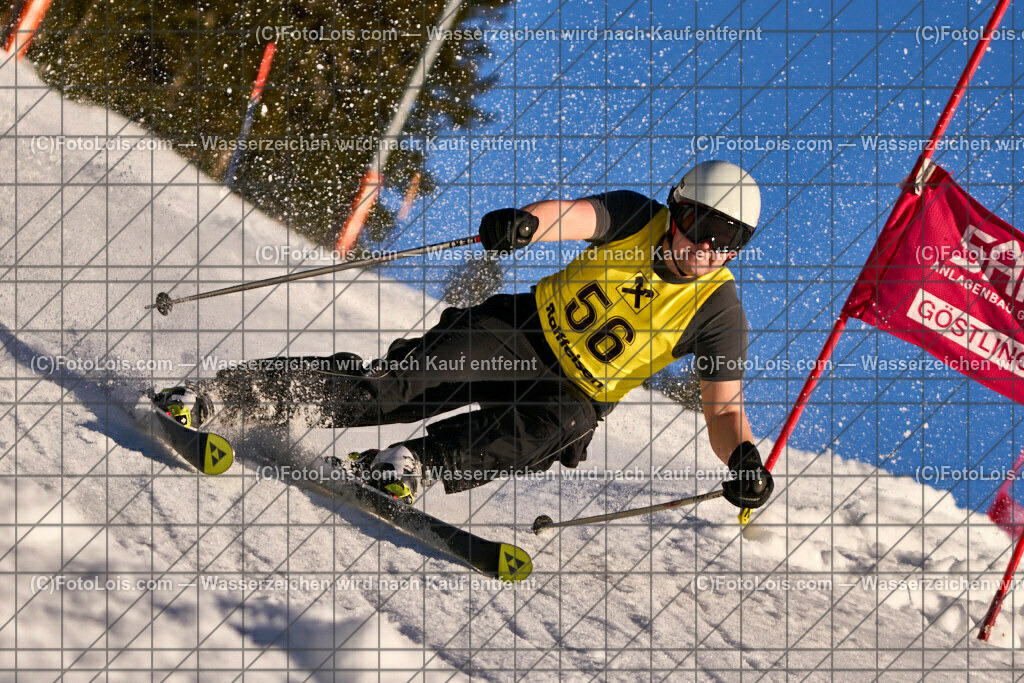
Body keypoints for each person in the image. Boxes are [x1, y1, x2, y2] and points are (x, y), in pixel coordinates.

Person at [154, 160, 773, 510]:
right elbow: (575, 214)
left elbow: (724, 410)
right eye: (700, 224)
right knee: (394, 389)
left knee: (554, 429)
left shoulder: (719, 312)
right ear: (678, 208)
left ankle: (410, 464)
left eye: (729, 240)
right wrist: (527, 223)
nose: (707, 248)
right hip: (521, 331)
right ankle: (229, 396)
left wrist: (744, 457)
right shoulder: (640, 217)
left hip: (577, 392)